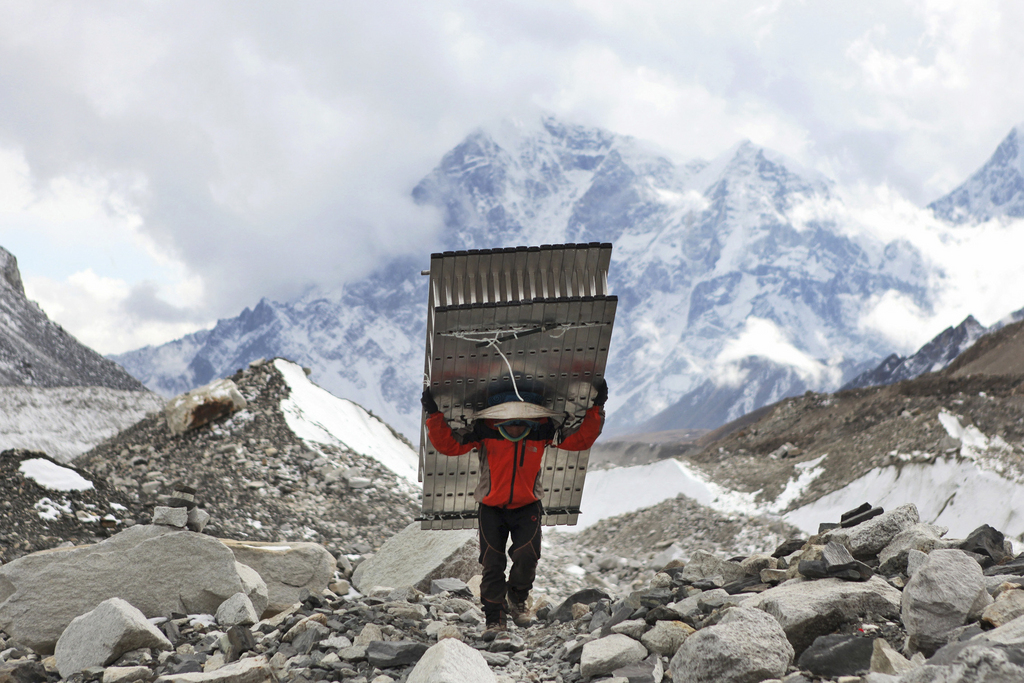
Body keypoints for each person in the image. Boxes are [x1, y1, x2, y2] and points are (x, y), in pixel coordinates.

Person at [421, 379, 608, 639]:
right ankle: (494, 618)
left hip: (528, 505)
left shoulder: (543, 430)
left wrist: (597, 407)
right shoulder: (484, 429)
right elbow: (449, 445)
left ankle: (517, 598)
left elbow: (579, 440)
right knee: (492, 563)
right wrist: (432, 413)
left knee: (527, 557)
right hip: (491, 508)